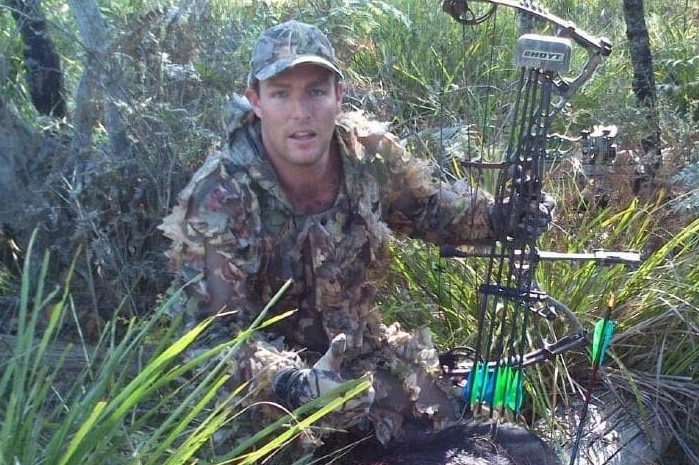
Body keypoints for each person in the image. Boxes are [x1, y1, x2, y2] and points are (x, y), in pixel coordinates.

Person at [159, 20, 555, 458]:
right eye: (280, 94)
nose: (300, 112)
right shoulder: (219, 197)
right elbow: (214, 338)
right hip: (269, 395)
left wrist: (505, 216)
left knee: (463, 436)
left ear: (338, 95)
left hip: (360, 358)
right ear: (256, 102)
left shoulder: (366, 155)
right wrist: (293, 384)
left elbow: (432, 210)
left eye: (315, 91)